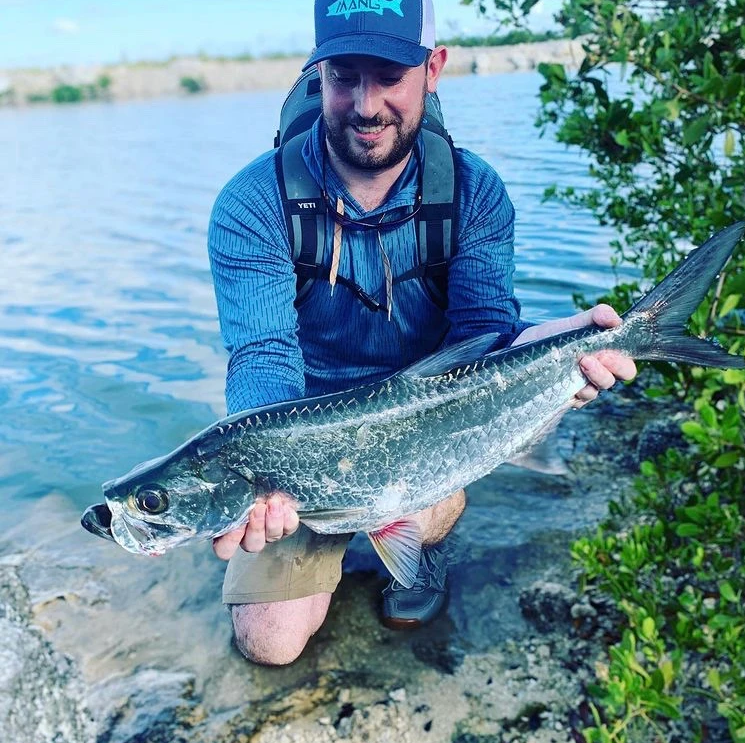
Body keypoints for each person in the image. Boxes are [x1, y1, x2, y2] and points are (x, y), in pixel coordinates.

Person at [207, 0, 637, 666]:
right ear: (316, 74)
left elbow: (485, 335)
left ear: (432, 69)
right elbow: (263, 358)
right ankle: (346, 534)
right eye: (344, 75)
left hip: (429, 419)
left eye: (388, 75)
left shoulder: (475, 191)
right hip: (303, 435)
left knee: (432, 495)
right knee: (269, 644)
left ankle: (422, 536)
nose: (364, 103)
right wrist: (262, 473)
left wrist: (565, 349)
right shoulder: (250, 203)